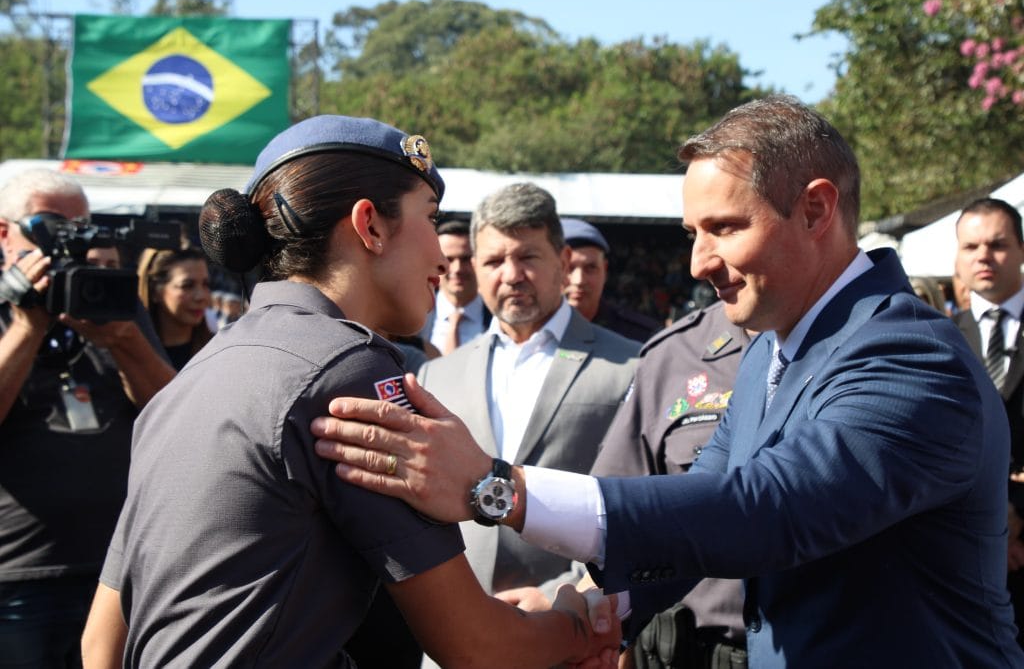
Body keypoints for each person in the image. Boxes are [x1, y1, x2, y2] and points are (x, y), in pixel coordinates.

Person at [311, 95, 1024, 666]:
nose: (698, 262)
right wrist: (587, 606)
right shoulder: (770, 355)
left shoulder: (909, 358)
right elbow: (696, 516)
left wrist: (500, 488)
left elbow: (762, 512)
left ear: (815, 209)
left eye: (723, 227)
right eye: (692, 233)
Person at [79, 116, 619, 669]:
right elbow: (478, 646)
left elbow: (99, 646)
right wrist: (582, 627)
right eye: (429, 219)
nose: (440, 256)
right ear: (371, 226)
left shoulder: (193, 377)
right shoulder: (350, 371)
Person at [416, 183, 639, 609]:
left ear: (564, 261)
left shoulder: (631, 367)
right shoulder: (436, 376)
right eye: (495, 260)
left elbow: (638, 507)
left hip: (571, 626)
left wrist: (565, 596)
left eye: (527, 257)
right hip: (451, 630)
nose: (512, 274)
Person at [0, 168, 174, 669]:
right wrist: (26, 327)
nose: (70, 241)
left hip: (116, 570)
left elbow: (174, 414)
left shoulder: (111, 298)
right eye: (50, 226)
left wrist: (124, 339)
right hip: (15, 576)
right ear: (4, 233)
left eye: (82, 226)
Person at [590, 300, 751, 669]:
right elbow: (616, 526)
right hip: (683, 652)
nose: (700, 264)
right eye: (694, 238)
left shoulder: (872, 346)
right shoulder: (675, 354)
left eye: (725, 235)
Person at [952, 196, 1024, 647]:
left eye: (997, 244)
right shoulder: (931, 338)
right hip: (963, 560)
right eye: (971, 246)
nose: (983, 256)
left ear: (1020, 250)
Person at [561, 217, 661, 342]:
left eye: (590, 268)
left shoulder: (641, 337)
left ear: (605, 270)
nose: (579, 280)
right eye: (568, 268)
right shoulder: (532, 333)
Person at [420, 217, 490, 355]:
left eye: (465, 259)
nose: (457, 269)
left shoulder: (499, 319)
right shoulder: (413, 318)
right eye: (448, 259)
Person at [136, 246, 213, 370]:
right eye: (187, 286)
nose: (201, 296)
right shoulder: (132, 354)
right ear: (156, 291)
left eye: (206, 284)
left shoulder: (218, 351)